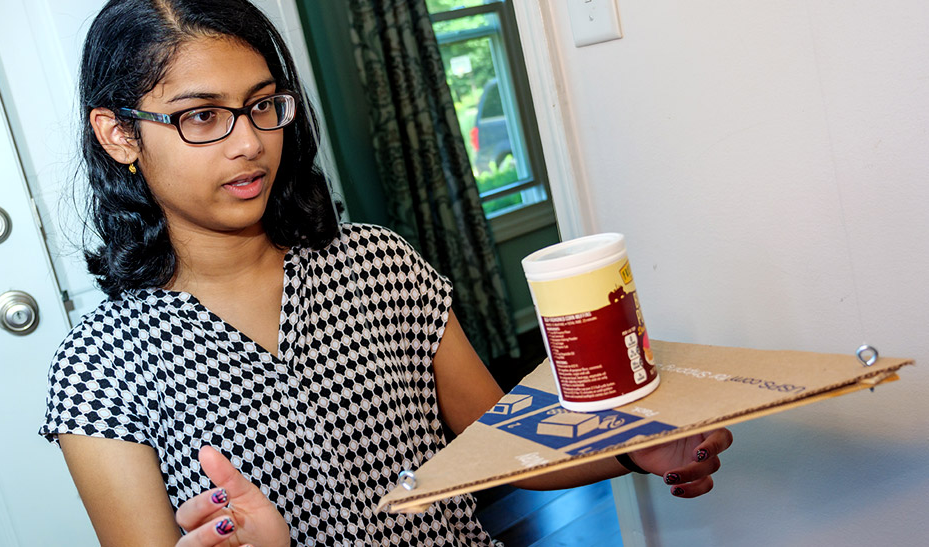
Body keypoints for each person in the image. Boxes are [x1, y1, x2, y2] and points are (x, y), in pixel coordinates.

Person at [39, 1, 733, 545]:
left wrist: (637, 452)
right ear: (119, 134)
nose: (249, 141)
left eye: (261, 105)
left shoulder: (378, 262)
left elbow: (506, 440)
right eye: (201, 117)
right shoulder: (98, 368)